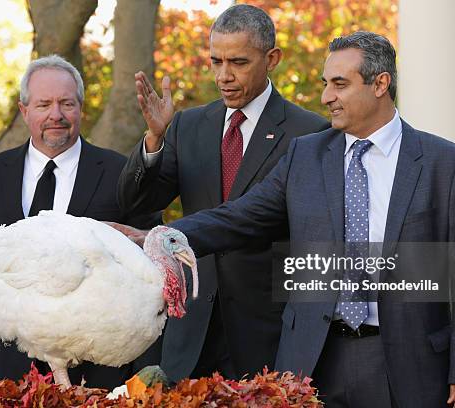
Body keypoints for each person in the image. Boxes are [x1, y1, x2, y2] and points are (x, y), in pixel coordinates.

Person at [118, 32, 455, 407]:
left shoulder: (445, 164)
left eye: (340, 84)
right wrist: (159, 236)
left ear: (380, 84)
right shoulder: (306, 155)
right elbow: (239, 217)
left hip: (406, 362)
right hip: (312, 359)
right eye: (326, 84)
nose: (327, 96)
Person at [117, 4, 329, 381]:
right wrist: (153, 139)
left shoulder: (309, 133)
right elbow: (137, 203)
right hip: (191, 329)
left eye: (238, 62)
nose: (223, 76)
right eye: (216, 61)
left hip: (266, 332)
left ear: (272, 59)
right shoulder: (187, 125)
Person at [0, 54, 159, 388]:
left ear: (81, 107)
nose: (56, 115)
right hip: (1, 377)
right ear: (24, 110)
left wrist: (140, 379)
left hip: (97, 378)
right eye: (43, 104)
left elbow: (151, 279)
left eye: (66, 103)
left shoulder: (121, 174)